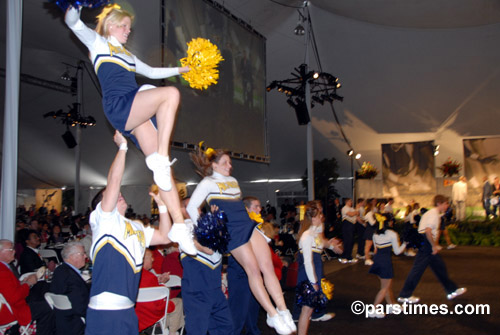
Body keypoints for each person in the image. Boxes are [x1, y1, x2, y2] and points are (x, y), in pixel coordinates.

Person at [64, 4, 195, 255]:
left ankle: (179, 225)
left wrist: (181, 69)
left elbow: (153, 71)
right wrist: (75, 5)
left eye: (129, 27)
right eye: (123, 26)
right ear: (110, 25)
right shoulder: (98, 44)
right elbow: (73, 22)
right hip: (119, 106)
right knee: (170, 94)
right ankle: (162, 156)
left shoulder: (127, 55)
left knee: (166, 175)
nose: (128, 30)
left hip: (135, 110)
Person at [187, 148, 296, 334]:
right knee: (253, 270)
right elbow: (190, 207)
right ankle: (272, 314)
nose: (230, 166)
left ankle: (283, 310)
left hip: (247, 224)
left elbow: (237, 209)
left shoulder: (233, 182)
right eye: (225, 163)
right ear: (214, 165)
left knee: (268, 267)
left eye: (230, 163)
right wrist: (209, 228)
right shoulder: (207, 182)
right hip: (232, 231)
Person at [85, 131, 175, 335]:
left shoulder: (136, 227)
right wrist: (123, 148)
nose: (119, 195)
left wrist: (162, 207)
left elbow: (166, 237)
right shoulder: (102, 219)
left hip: (128, 309)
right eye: (114, 195)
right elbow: (114, 183)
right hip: (105, 309)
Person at [398, 195, 467, 303]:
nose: (447, 206)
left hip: (424, 242)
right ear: (439, 203)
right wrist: (434, 245)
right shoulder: (434, 215)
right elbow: (428, 231)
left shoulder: (432, 213)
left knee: (439, 268)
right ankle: (405, 295)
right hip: (426, 243)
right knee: (418, 270)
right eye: (445, 203)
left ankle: (451, 290)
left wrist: (434, 244)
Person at [180, 197, 233, 335]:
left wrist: (219, 224)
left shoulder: (208, 225)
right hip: (197, 289)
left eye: (197, 205)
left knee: (225, 326)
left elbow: (224, 245)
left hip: (215, 287)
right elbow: (208, 249)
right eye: (191, 205)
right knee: (197, 330)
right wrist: (215, 225)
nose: (196, 208)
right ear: (183, 210)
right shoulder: (182, 227)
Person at [295, 201, 342, 335]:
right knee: (306, 309)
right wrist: (314, 282)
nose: (321, 217)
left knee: (308, 309)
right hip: (309, 275)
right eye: (319, 214)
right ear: (312, 218)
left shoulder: (314, 234)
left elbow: (323, 245)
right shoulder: (306, 236)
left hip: (314, 272)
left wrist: (332, 245)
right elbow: (308, 262)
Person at [0, 239, 54, 335]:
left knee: (40, 294)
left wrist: (22, 283)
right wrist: (28, 284)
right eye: (11, 249)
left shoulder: (4, 267)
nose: (14, 251)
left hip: (11, 306)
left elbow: (7, 290)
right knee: (48, 307)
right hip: (13, 311)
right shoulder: (2, 271)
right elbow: (14, 298)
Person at [227, 196, 264, 335]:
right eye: (256, 206)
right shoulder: (238, 226)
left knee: (252, 310)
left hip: (252, 271)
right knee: (237, 312)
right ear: (246, 209)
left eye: (259, 206)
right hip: (239, 272)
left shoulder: (256, 225)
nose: (259, 209)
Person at [135, 249, 184, 335]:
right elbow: (162, 297)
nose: (153, 259)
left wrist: (158, 281)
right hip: (152, 314)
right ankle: (172, 332)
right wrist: (163, 285)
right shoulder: (149, 276)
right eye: (151, 257)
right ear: (143, 259)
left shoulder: (133, 275)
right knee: (178, 302)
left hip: (137, 314)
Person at [367, 214, 407, 318]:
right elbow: (397, 252)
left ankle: (391, 305)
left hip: (377, 260)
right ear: (388, 222)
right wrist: (405, 244)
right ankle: (373, 309)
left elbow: (376, 250)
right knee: (384, 287)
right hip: (385, 262)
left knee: (386, 285)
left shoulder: (375, 234)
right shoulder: (392, 234)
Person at [49, 241, 90, 335]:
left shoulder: (59, 270)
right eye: (83, 254)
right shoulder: (72, 278)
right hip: (75, 324)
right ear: (72, 256)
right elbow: (81, 308)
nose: (85, 256)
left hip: (61, 322)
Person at [338, 198, 359, 264]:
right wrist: (355, 212)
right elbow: (351, 214)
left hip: (352, 225)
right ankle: (344, 256)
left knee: (351, 241)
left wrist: (355, 212)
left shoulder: (352, 208)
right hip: (347, 224)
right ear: (346, 202)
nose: (351, 202)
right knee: (347, 240)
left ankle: (349, 256)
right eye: (350, 201)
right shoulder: (345, 208)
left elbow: (357, 213)